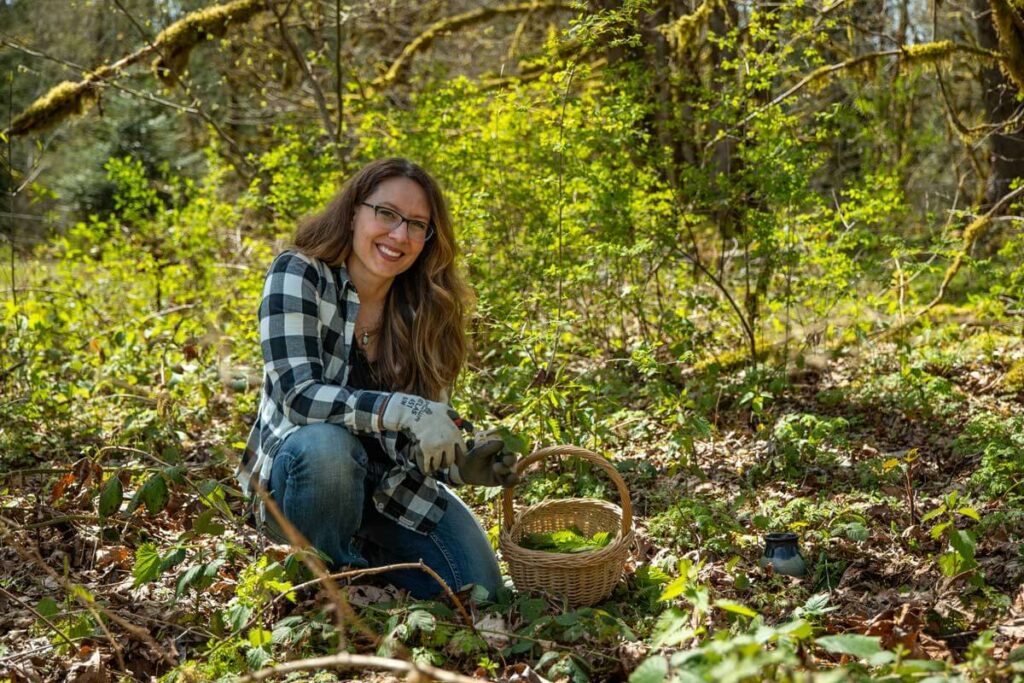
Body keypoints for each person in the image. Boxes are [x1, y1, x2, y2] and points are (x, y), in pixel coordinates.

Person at [236, 157, 519, 600]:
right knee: (328, 447)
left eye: (417, 225)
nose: (399, 235)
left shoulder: (426, 311)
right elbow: (299, 397)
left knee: (482, 589)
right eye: (386, 214)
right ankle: (323, 586)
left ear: (428, 239)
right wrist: (402, 409)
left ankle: (365, 555)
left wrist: (460, 463)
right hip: (302, 480)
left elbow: (417, 437)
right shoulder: (299, 273)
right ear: (353, 211)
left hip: (390, 491)